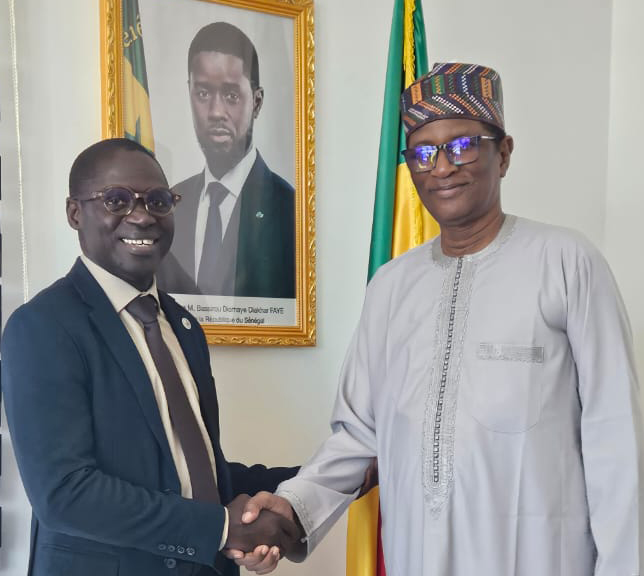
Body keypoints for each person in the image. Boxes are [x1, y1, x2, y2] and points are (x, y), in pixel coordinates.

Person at [232, 62, 644, 575]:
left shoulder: (566, 264)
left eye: (463, 145)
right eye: (423, 153)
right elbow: (357, 437)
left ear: (504, 153)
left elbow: (615, 443)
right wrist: (293, 508)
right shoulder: (391, 287)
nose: (442, 167)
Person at [1, 138, 300, 576]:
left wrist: (321, 479)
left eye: (158, 200)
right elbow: (66, 494)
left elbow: (194, 474)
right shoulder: (43, 327)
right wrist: (222, 529)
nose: (142, 215)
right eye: (116, 200)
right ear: (75, 213)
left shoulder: (182, 326)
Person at [157, 21, 295, 299]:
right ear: (189, 93)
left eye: (231, 95)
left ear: (257, 102)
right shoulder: (170, 207)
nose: (216, 112)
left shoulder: (290, 209)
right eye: (203, 93)